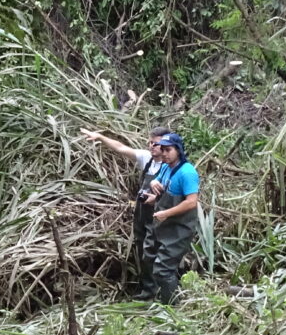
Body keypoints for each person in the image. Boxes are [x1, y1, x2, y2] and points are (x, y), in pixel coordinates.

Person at [79, 126, 171, 299]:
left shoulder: (172, 166)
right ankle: (147, 289)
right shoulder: (147, 159)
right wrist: (100, 137)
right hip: (142, 213)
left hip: (160, 215)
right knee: (142, 250)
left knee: (154, 251)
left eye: (156, 144)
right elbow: (120, 148)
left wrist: (158, 200)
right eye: (150, 142)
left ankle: (158, 292)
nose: (151, 146)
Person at [141, 133, 200, 304]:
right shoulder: (167, 167)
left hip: (179, 228)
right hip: (163, 225)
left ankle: (172, 308)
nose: (164, 154)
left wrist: (165, 213)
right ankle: (164, 296)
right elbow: (158, 183)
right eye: (162, 149)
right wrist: (153, 185)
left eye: (168, 150)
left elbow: (191, 202)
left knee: (163, 269)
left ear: (178, 150)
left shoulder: (187, 173)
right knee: (151, 258)